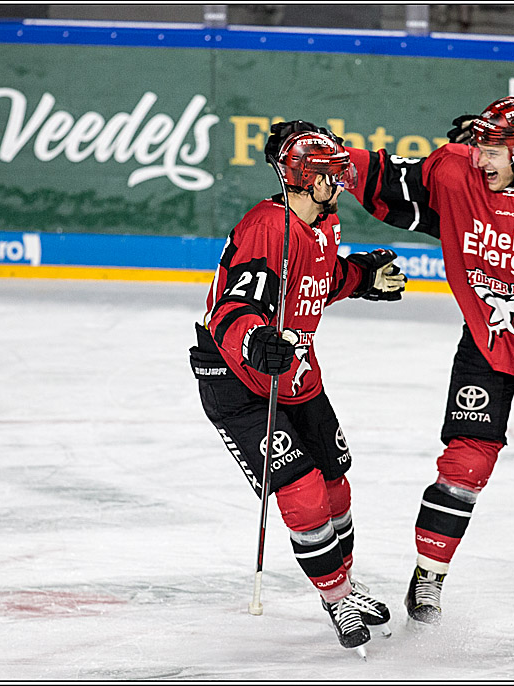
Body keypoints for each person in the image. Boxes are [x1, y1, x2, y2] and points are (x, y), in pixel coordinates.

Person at [311, 97, 514, 625]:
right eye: (479, 145)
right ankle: (426, 579)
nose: (481, 159)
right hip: (487, 341)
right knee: (465, 464)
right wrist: (325, 155)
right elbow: (384, 177)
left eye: (495, 149)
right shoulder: (454, 170)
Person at [188, 127, 407, 653]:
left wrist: (361, 279)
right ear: (306, 179)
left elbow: (318, 279)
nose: (342, 179)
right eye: (331, 173)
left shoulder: (323, 220)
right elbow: (231, 309)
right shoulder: (268, 227)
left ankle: (347, 585)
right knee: (304, 494)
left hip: (297, 374)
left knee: (336, 486)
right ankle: (335, 598)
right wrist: (255, 341)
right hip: (240, 381)